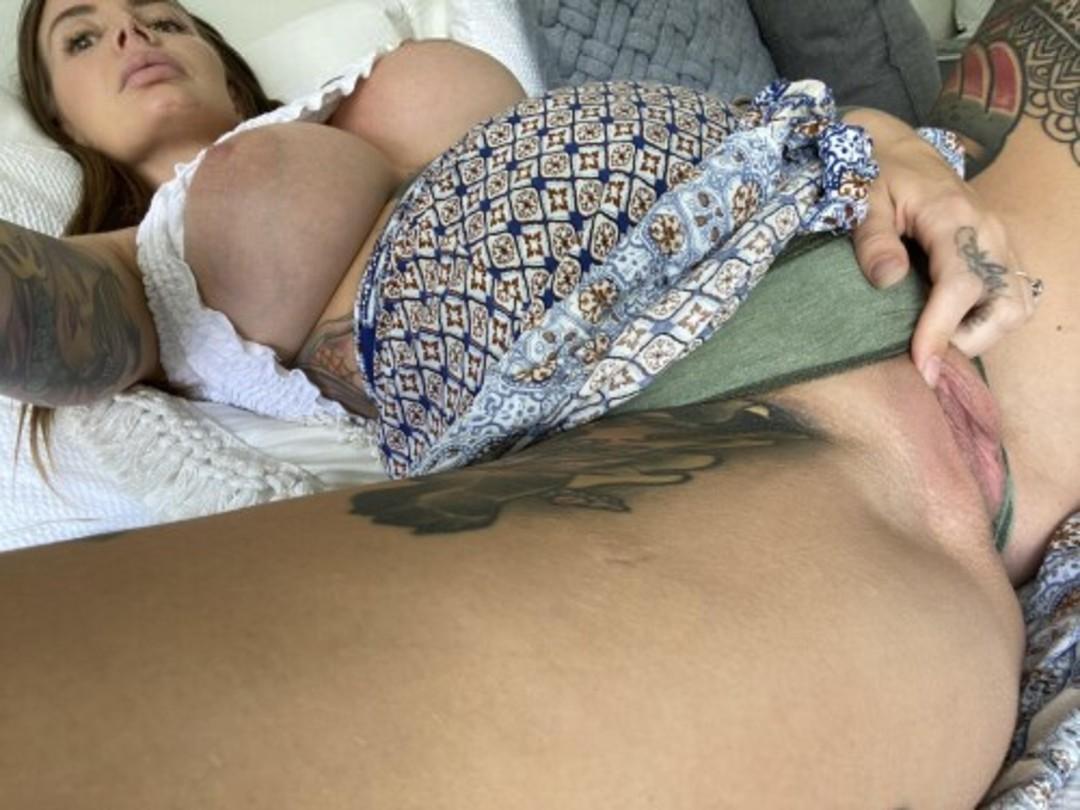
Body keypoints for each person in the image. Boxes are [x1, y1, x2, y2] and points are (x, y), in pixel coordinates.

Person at [0, 0, 1075, 805]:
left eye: (161, 15)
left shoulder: (366, 82)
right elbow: (40, 311)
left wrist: (879, 137)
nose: (132, 32)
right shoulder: (132, 270)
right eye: (80, 36)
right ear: (57, 119)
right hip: (761, 465)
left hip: (897, 235)